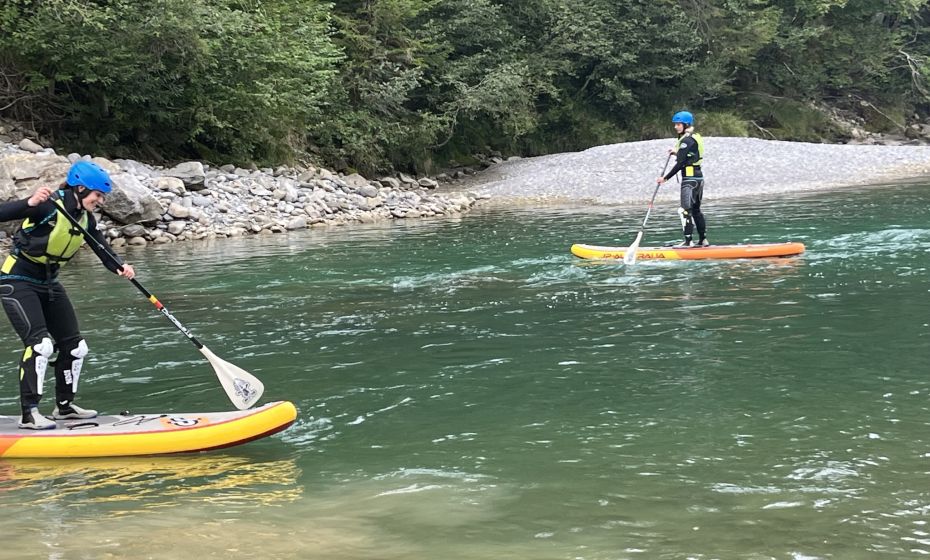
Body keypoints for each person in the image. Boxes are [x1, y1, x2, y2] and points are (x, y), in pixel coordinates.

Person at [0, 160, 135, 429]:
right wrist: (29, 203)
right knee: (40, 345)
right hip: (17, 280)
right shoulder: (49, 205)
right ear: (82, 188)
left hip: (49, 283)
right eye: (98, 195)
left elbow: (101, 248)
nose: (100, 201)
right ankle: (30, 414)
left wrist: (120, 266)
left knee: (75, 347)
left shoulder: (85, 217)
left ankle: (64, 408)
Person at [656, 110, 708, 247]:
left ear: (686, 124)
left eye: (678, 124)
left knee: (685, 210)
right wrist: (676, 153)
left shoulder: (685, 140)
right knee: (696, 210)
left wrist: (665, 178)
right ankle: (703, 240)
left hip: (689, 180)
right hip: (699, 178)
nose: (676, 127)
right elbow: (690, 156)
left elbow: (681, 163)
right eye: (675, 124)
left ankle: (688, 241)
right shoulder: (695, 136)